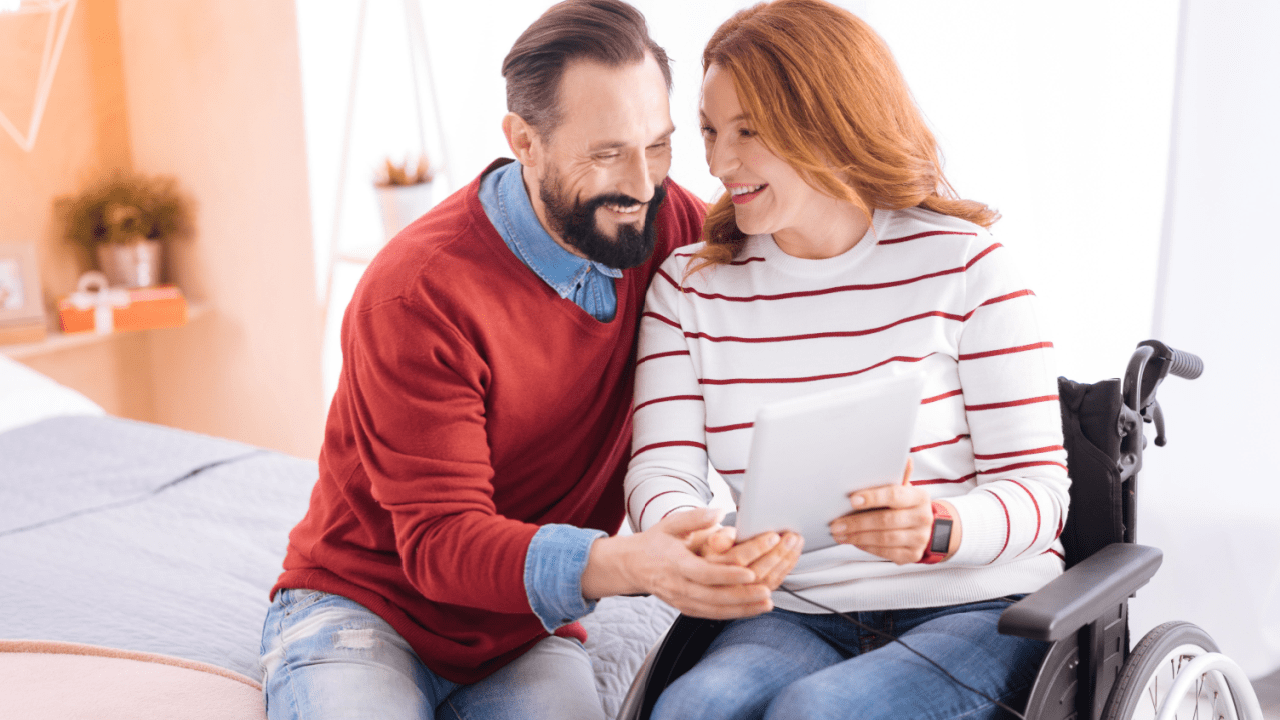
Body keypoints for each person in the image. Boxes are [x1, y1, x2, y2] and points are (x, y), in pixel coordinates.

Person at [258, 2, 800, 719]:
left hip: (520, 632)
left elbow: (800, 290)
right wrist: (628, 563)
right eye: (606, 154)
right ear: (525, 141)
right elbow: (442, 543)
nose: (642, 183)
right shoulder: (417, 293)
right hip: (367, 609)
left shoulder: (664, 223)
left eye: (660, 145)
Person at [624, 1, 1071, 718]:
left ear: (827, 122)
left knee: (817, 713)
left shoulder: (968, 267)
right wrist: (693, 539)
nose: (719, 162)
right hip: (791, 609)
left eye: (749, 131)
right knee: (692, 709)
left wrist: (938, 528)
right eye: (709, 131)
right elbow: (662, 470)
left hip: (975, 604)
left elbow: (1041, 493)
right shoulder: (689, 286)